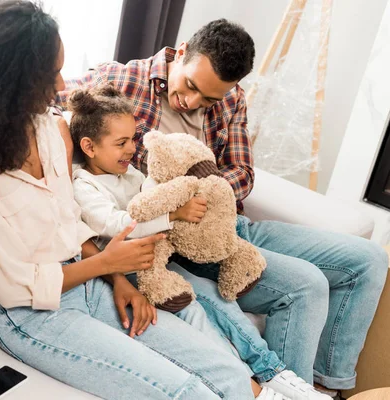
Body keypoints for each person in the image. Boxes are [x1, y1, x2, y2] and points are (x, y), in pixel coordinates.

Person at [0, 2, 266, 399]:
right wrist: (107, 263)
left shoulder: (49, 130)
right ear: (11, 78)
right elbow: (12, 287)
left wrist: (118, 281)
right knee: (186, 392)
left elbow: (70, 220)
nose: (61, 86)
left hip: (89, 280)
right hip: (30, 315)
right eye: (51, 73)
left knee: (228, 373)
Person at [56, 18, 389, 398]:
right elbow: (54, 106)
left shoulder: (231, 99)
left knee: (368, 259)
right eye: (191, 86)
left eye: (209, 99)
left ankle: (328, 387)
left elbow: (243, 173)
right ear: (181, 53)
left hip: (226, 221)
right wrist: (174, 201)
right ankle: (282, 387)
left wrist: (204, 189)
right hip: (175, 238)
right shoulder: (123, 81)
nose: (194, 102)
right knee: (306, 285)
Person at [68, 83, 331, 400]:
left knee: (209, 293)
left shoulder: (129, 175)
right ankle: (250, 385)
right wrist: (174, 214)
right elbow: (116, 224)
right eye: (121, 142)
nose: (131, 149)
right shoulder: (84, 185)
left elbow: (151, 192)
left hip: (158, 258)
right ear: (89, 146)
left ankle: (270, 372)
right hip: (131, 265)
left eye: (134, 140)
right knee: (197, 303)